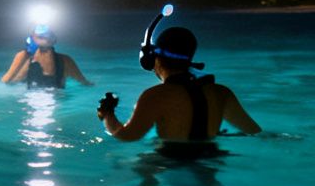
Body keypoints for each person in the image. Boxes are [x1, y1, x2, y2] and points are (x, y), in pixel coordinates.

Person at [98, 25, 260, 156]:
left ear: (155, 60)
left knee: (135, 166)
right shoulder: (221, 93)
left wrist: (107, 114)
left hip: (170, 162)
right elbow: (254, 131)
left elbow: (127, 136)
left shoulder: (155, 96)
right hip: (211, 158)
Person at [2, 23, 91, 88]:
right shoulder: (66, 60)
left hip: (32, 97)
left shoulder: (26, 60)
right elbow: (83, 82)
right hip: (57, 98)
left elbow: (8, 81)